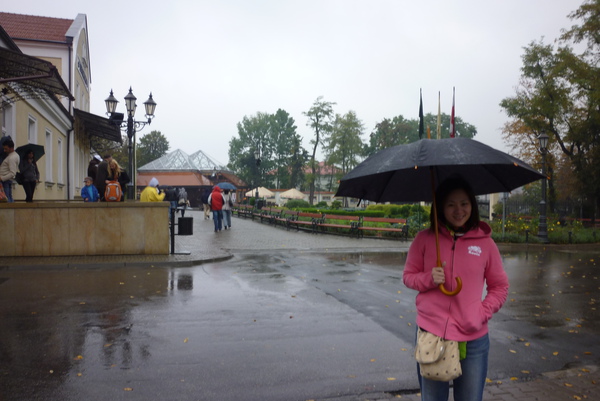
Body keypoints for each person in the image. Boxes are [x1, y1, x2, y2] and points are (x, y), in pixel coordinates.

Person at [402, 176, 509, 401]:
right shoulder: (424, 240)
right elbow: (408, 277)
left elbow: (499, 286)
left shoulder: (485, 244)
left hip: (473, 338)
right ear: (440, 207)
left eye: (464, 203)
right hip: (432, 335)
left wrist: (482, 312)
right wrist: (428, 278)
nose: (458, 210)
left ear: (472, 204)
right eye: (451, 204)